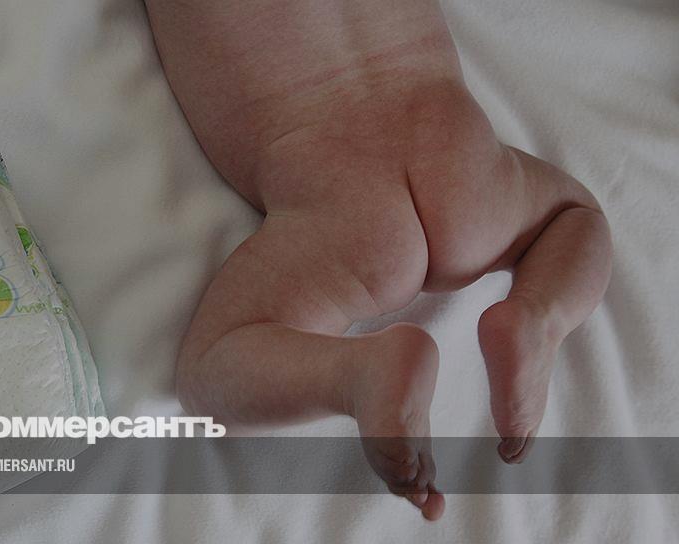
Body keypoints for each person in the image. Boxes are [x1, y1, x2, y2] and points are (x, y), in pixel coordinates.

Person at [145, 0, 613, 520]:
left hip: (337, 188)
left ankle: (354, 373)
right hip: (454, 151)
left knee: (211, 368)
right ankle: (537, 315)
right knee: (575, 215)